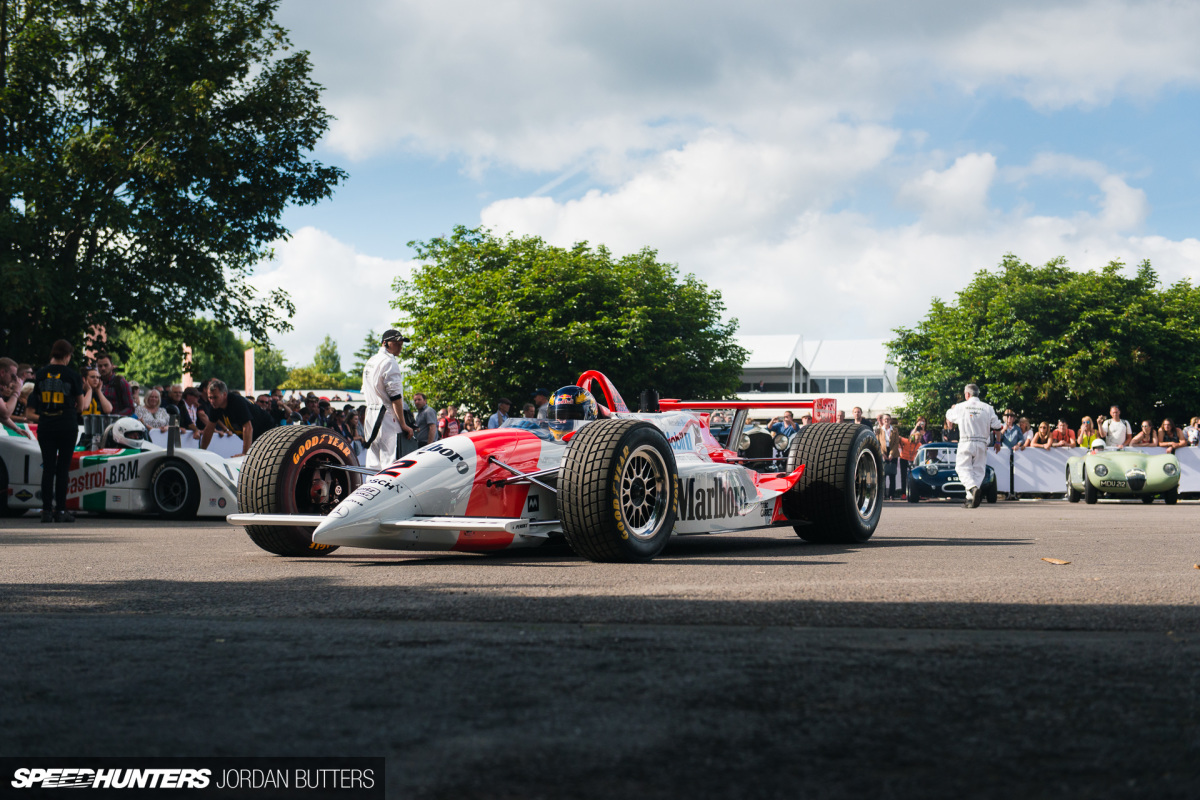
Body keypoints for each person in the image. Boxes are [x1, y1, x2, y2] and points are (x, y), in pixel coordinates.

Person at [29, 340, 91, 522]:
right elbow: (80, 407)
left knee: (48, 467)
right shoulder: (72, 375)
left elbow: (37, 399)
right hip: (66, 424)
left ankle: (46, 510)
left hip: (46, 424)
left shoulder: (40, 374)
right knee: (63, 468)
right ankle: (61, 510)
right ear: (67, 355)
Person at [360, 329, 414, 469]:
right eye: (396, 342)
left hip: (371, 416)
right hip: (387, 417)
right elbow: (395, 397)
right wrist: (403, 424)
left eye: (401, 343)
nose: (400, 346)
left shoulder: (371, 361)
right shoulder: (390, 362)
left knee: (373, 464)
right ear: (385, 343)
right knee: (390, 464)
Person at [945, 383, 1002, 508]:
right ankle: (970, 499)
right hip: (982, 442)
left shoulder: (961, 407)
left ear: (967, 394)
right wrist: (998, 442)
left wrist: (953, 408)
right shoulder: (987, 408)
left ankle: (971, 489)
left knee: (962, 468)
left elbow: (949, 415)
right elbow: (997, 426)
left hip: (966, 441)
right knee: (978, 471)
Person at [201, 379, 273, 456]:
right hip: (255, 437)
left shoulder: (236, 401)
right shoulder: (215, 406)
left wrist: (245, 453)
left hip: (269, 432)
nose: (212, 401)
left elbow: (248, 427)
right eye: (210, 397)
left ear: (224, 395)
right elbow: (209, 429)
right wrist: (202, 451)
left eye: (215, 397)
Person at [874, 413, 901, 499]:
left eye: (888, 419)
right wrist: (882, 454)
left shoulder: (895, 430)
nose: (886, 421)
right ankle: (883, 494)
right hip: (882, 453)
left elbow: (896, 443)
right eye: (885, 419)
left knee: (892, 475)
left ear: (890, 420)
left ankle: (891, 494)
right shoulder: (879, 430)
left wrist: (891, 454)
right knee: (883, 475)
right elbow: (877, 443)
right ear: (882, 420)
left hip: (893, 453)